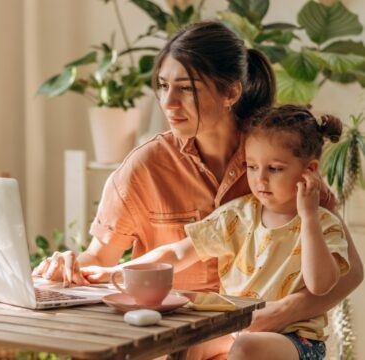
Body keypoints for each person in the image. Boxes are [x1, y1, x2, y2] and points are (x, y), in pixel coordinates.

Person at [33, 21, 363, 358]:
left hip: (261, 342)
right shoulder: (144, 167)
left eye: (186, 88)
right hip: (179, 339)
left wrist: (285, 311)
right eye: (162, 85)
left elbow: (349, 272)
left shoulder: (277, 161)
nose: (169, 101)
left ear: (230, 93)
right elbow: (103, 259)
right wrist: (69, 266)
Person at [80, 105, 353, 359]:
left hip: (297, 341)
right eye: (252, 167)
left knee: (246, 348)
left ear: (310, 172)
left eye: (274, 169)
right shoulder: (237, 214)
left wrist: (308, 217)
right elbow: (177, 252)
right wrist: (118, 271)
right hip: (235, 328)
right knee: (184, 343)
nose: (260, 179)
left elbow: (321, 285)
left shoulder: (323, 223)